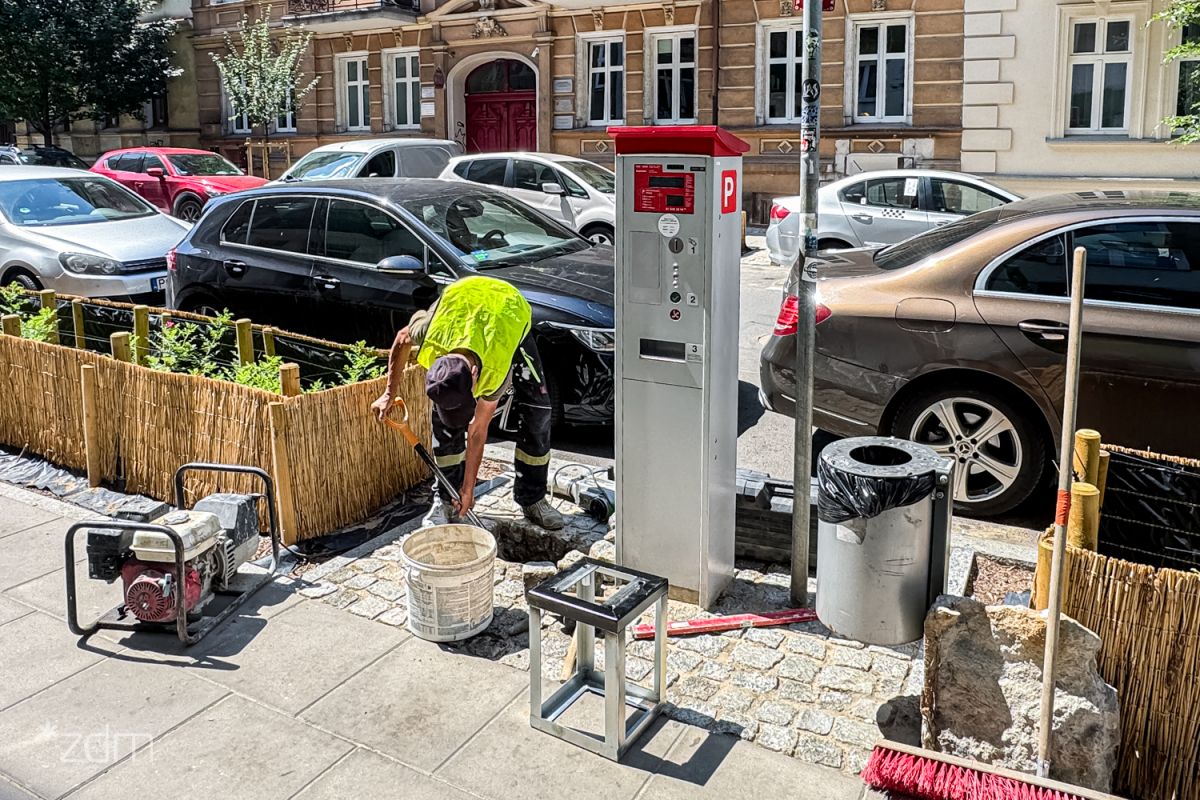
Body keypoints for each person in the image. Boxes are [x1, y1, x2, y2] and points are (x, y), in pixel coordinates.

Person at [371, 275, 564, 530]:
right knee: (444, 423)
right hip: (459, 298)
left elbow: (477, 431)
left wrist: (470, 489)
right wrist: (388, 392)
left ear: (475, 377)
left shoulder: (495, 368)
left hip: (506, 309)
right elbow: (401, 339)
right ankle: (444, 499)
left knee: (538, 411)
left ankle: (533, 499)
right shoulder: (430, 335)